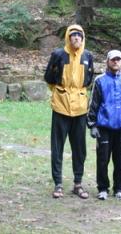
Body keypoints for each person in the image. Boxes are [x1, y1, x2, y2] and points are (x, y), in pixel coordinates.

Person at [44, 24, 94, 199]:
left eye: (79, 35)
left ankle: (78, 183)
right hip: (61, 106)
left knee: (79, 147)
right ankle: (58, 183)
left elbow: (89, 80)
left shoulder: (87, 56)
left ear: (83, 38)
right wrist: (60, 92)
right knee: (57, 146)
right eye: (73, 35)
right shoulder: (58, 55)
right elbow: (49, 77)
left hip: (80, 108)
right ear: (67, 37)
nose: (76, 38)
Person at [87, 50, 121, 201]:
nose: (116, 62)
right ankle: (102, 188)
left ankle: (119, 188)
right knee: (103, 159)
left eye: (118, 60)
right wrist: (92, 124)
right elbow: (93, 103)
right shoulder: (100, 80)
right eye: (113, 60)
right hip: (104, 126)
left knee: (120, 160)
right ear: (108, 61)